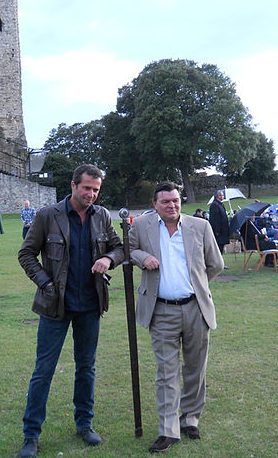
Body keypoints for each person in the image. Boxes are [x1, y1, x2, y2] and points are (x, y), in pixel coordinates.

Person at [16, 164, 124, 458]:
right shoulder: (47, 216)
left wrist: (109, 260)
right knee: (43, 371)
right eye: (87, 188)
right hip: (55, 305)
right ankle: (31, 434)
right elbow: (26, 254)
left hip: (90, 305)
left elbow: (119, 248)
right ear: (73, 185)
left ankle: (84, 424)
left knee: (86, 368)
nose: (91, 194)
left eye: (96, 190)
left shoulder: (101, 216)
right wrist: (46, 283)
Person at [129, 182, 223, 453]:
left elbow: (214, 264)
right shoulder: (142, 226)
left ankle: (190, 418)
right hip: (161, 310)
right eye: (166, 202)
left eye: (176, 200)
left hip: (196, 308)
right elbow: (129, 249)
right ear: (155, 204)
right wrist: (143, 256)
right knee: (166, 372)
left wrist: (198, 286)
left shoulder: (199, 226)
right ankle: (168, 430)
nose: (172, 205)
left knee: (195, 368)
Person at [208, 190, 230, 256]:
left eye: (223, 195)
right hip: (219, 231)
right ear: (218, 196)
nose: (222, 197)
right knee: (218, 248)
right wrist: (217, 231)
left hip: (223, 230)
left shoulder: (221, 204)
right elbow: (215, 219)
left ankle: (221, 262)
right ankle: (217, 263)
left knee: (221, 248)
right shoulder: (215, 205)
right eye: (221, 195)